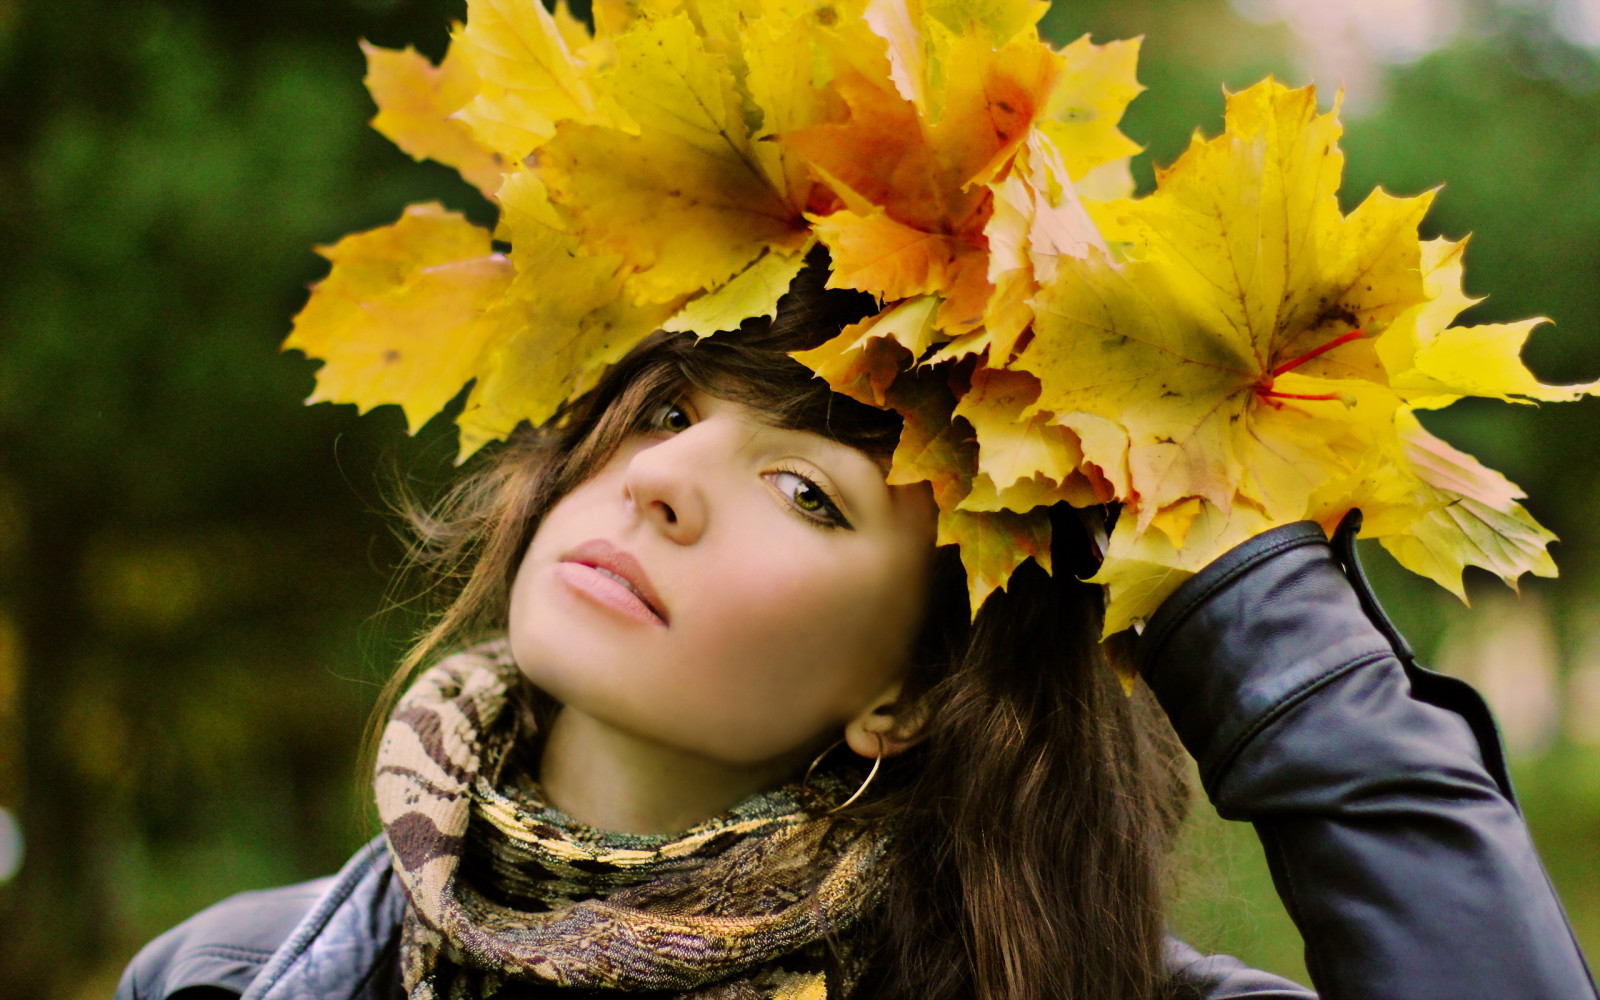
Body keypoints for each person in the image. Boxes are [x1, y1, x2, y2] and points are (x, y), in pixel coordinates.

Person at [115, 264, 1598, 1000]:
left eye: (805, 493)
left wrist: (1248, 601)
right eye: (674, 408)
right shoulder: (223, 978)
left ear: (906, 690)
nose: (667, 483)